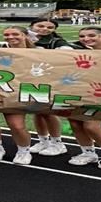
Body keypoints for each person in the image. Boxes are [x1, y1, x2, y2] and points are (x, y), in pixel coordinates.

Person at [66, 26, 101, 170]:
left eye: (92, 35)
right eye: (82, 36)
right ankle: (88, 153)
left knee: (92, 126)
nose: (86, 39)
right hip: (78, 92)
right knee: (75, 124)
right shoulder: (75, 51)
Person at [0, 27, 36, 165]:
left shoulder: (38, 51)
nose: (10, 37)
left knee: (16, 125)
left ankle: (23, 150)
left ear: (25, 35)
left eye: (15, 34)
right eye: (6, 34)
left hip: (18, 93)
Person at [25, 19, 71, 157]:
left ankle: (57, 143)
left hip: (49, 81)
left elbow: (69, 54)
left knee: (48, 112)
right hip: (29, 80)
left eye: (50, 27)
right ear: (31, 26)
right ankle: (43, 141)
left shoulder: (56, 42)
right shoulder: (23, 38)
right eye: (40, 26)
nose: (45, 29)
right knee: (37, 112)